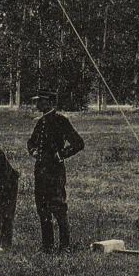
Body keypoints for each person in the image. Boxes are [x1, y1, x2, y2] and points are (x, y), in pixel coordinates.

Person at [27, 90, 85, 254]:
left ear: (49, 102)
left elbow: (78, 143)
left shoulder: (61, 121)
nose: (37, 104)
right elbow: (31, 142)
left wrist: (62, 154)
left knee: (58, 208)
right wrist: (33, 152)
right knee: (42, 209)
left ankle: (65, 246)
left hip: (55, 172)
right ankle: (47, 246)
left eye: (40, 101)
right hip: (40, 171)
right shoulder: (41, 122)